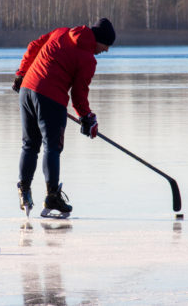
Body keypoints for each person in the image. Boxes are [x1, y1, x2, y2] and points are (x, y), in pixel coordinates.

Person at [12, 18, 116, 218]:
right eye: (106, 45)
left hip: (27, 90)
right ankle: (52, 196)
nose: (106, 50)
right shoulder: (87, 59)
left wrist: (21, 73)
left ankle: (24, 190)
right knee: (52, 146)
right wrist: (87, 118)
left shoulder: (61, 32)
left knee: (30, 145)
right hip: (51, 98)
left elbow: (34, 47)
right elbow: (79, 94)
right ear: (98, 40)